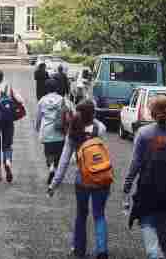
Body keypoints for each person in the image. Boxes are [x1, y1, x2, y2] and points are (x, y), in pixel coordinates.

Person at [123, 95, 166, 259]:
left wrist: (127, 184)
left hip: (148, 188)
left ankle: (155, 255)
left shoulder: (144, 133)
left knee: (148, 227)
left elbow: (136, 162)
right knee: (162, 230)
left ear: (152, 112)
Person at [47, 100, 110, 259]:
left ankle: (79, 250)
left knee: (81, 215)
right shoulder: (100, 129)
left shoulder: (74, 130)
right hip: (101, 176)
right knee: (99, 215)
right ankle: (102, 250)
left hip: (83, 178)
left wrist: (54, 183)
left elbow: (64, 160)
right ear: (93, 114)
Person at [0, 69, 25, 182]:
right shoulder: (9, 88)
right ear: (2, 78)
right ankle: (7, 162)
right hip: (7, 120)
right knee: (7, 145)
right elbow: (21, 100)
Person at [35, 78, 72, 185]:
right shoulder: (62, 100)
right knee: (58, 154)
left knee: (48, 153)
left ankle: (51, 167)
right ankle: (55, 168)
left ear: (46, 88)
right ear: (56, 88)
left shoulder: (42, 100)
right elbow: (70, 114)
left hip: (47, 131)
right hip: (60, 131)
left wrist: (37, 128)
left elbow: (38, 117)